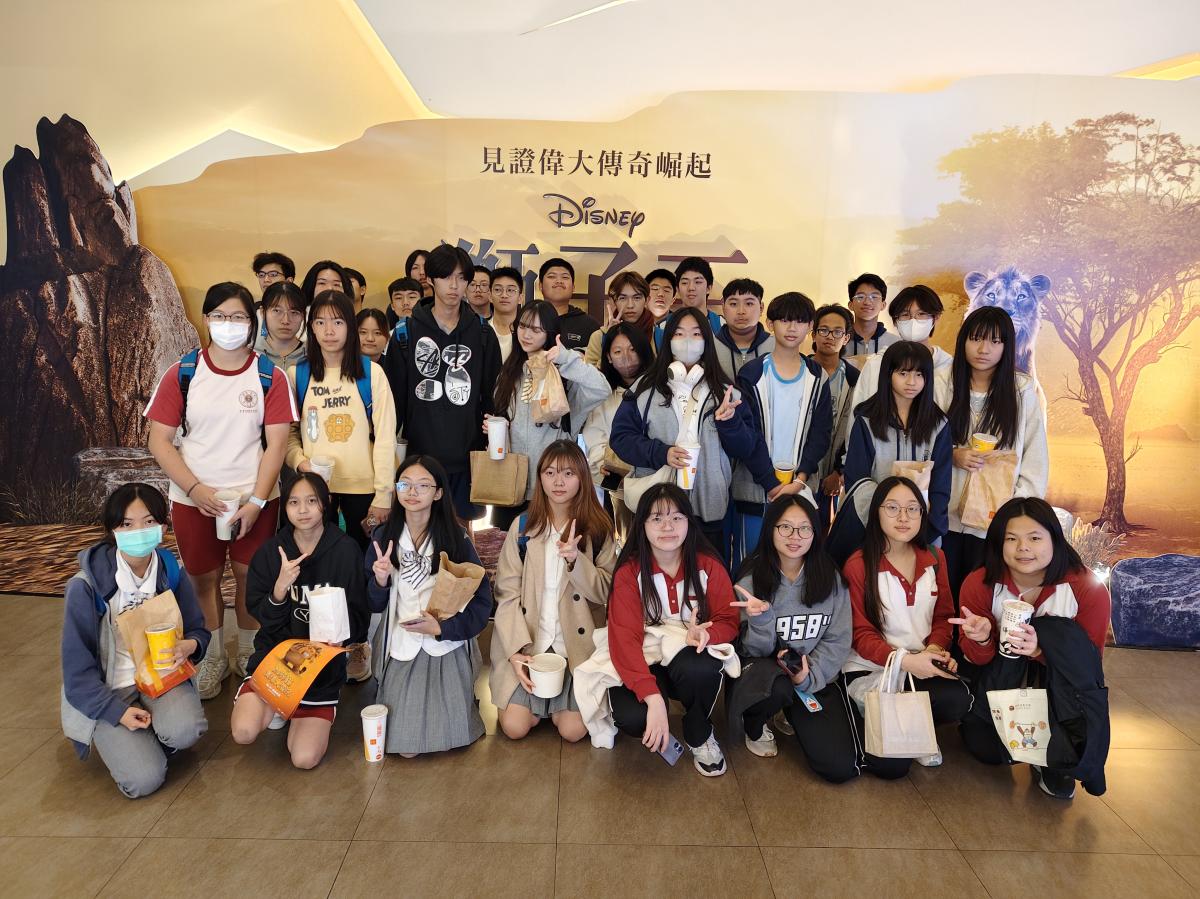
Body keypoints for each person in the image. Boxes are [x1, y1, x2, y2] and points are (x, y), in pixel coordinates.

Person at [146, 282, 298, 698]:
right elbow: (160, 440)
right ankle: (210, 656)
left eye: (238, 317)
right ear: (206, 320)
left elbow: (277, 445)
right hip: (193, 500)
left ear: (252, 323)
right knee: (203, 578)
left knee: (251, 577)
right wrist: (194, 489)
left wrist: (257, 501)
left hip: (253, 500)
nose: (228, 324)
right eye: (220, 316)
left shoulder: (269, 376)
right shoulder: (182, 373)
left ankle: (249, 652)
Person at [952, 497, 1111, 799]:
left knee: (1055, 630)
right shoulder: (980, 583)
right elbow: (975, 658)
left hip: (1059, 694)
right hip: (999, 682)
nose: (1023, 548)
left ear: (1055, 539)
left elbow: (1089, 665)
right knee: (988, 751)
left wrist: (1042, 650)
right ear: (998, 543)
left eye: (1035, 538)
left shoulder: (1086, 588)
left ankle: (1050, 754)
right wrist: (982, 639)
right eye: (1011, 539)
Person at [61, 483, 209, 798]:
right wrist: (116, 712)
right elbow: (76, 674)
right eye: (127, 524)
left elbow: (198, 629)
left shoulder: (171, 571)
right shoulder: (85, 587)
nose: (138, 531)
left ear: (163, 527)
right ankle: (130, 740)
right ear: (112, 530)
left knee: (187, 730)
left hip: (160, 675)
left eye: (149, 521)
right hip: (109, 691)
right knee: (144, 781)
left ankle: (154, 734)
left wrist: (191, 645)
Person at [610, 307, 777, 555]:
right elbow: (621, 438)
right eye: (679, 334)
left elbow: (747, 448)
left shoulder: (726, 392)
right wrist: (661, 453)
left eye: (696, 334)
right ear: (668, 341)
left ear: (707, 342)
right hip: (658, 511)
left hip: (709, 510)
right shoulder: (644, 390)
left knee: (708, 574)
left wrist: (729, 424)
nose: (687, 341)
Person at [234, 473, 370, 768]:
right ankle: (279, 706)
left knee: (304, 759)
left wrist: (341, 636)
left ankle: (295, 709)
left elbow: (361, 617)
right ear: (285, 507)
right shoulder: (272, 552)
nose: (303, 510)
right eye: (294, 502)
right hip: (277, 660)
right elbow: (261, 615)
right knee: (243, 732)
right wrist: (280, 589)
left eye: (311, 501)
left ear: (325, 504)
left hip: (321, 669)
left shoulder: (345, 550)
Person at [607, 484, 739, 776]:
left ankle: (699, 731)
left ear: (689, 522)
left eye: (677, 517)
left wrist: (708, 634)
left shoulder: (708, 566)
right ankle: (658, 708)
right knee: (633, 717)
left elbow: (728, 619)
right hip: (644, 658)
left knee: (701, 667)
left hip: (687, 659)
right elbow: (624, 640)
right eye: (657, 518)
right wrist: (652, 699)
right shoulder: (630, 572)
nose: (667, 526)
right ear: (642, 525)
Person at [842, 477, 970, 776]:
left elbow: (944, 616)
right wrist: (905, 661)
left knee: (958, 698)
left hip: (919, 661)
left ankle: (916, 727)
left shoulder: (935, 558)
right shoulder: (859, 564)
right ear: (876, 512)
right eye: (893, 508)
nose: (903, 517)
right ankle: (870, 718)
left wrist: (935, 649)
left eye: (913, 509)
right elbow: (860, 634)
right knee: (891, 768)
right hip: (871, 667)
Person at [365, 456, 493, 756]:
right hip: (402, 642)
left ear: (438, 493)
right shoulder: (383, 538)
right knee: (405, 747)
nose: (412, 492)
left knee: (453, 734)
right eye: (404, 484)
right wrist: (380, 580)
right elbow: (371, 602)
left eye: (423, 485)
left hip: (445, 642)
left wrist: (442, 628)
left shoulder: (456, 538)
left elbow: (482, 599)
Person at [491, 440, 617, 741]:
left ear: (582, 477)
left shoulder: (598, 528)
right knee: (515, 727)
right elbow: (506, 593)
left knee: (573, 731)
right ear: (540, 477)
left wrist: (576, 561)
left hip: (576, 648)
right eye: (550, 473)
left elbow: (607, 592)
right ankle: (532, 705)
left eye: (568, 473)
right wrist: (515, 652)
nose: (558, 481)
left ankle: (559, 706)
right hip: (528, 643)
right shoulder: (523, 527)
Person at [726, 495, 857, 782]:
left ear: (815, 532)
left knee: (838, 767)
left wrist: (809, 677)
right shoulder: (750, 580)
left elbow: (838, 640)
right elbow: (749, 651)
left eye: (804, 528)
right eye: (785, 527)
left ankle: (790, 710)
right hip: (767, 674)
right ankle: (756, 723)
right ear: (770, 529)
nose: (795, 536)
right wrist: (761, 621)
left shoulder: (831, 579)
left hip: (814, 677)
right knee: (779, 688)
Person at [382, 244, 502, 522]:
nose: (454, 286)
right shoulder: (405, 333)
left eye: (461, 278)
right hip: (418, 457)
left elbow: (494, 397)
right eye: (447, 277)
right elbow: (393, 404)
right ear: (431, 279)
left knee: (462, 532)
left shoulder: (483, 333)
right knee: (419, 528)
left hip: (467, 457)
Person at [943, 307, 1049, 593]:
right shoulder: (942, 382)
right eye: (976, 338)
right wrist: (952, 454)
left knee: (981, 594)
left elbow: (1035, 457)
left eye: (995, 341)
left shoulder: (1021, 390)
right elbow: (923, 441)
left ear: (1007, 346)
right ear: (963, 340)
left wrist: (1015, 513)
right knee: (942, 594)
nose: (984, 349)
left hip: (993, 521)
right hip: (943, 517)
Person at [486, 301, 611, 532]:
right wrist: (496, 425)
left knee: (552, 547)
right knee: (513, 546)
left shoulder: (566, 375)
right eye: (523, 326)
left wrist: (566, 358)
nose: (527, 335)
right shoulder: (509, 372)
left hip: (555, 484)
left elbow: (602, 389)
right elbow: (503, 414)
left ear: (550, 333)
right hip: (512, 481)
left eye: (536, 329)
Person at [733, 292, 832, 566]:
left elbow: (821, 433)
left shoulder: (817, 376)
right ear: (770, 323)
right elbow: (746, 434)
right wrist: (770, 482)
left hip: (800, 488)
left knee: (794, 563)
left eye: (799, 321)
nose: (792, 328)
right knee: (750, 565)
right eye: (784, 320)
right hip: (754, 491)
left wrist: (800, 479)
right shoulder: (751, 374)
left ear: (809, 326)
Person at [844, 341, 953, 543]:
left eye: (919, 374)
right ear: (888, 374)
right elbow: (857, 481)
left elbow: (941, 484)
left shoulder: (938, 424)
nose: (912, 382)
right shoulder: (867, 419)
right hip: (875, 532)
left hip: (924, 531)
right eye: (903, 373)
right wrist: (884, 525)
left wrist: (927, 531)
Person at [581, 323, 654, 541]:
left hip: (654, 479)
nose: (626, 357)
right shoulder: (603, 394)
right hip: (617, 480)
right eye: (618, 351)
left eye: (632, 349)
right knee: (624, 540)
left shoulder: (658, 390)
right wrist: (601, 463)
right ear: (609, 357)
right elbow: (594, 437)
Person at [850, 285, 952, 411]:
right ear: (895, 321)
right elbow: (858, 413)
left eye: (921, 314)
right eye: (905, 314)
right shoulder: (877, 364)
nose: (913, 320)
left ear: (936, 318)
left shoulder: (949, 368)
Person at [809, 304, 860, 528]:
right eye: (823, 330)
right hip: (801, 470)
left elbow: (854, 430)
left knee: (823, 532)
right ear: (813, 334)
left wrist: (839, 472)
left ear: (846, 338)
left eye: (837, 332)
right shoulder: (800, 370)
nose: (830, 336)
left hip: (832, 471)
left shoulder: (855, 379)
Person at [583, 271, 655, 366]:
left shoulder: (659, 336)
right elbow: (589, 374)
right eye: (622, 298)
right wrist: (610, 340)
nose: (630, 305)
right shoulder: (599, 337)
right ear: (613, 302)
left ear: (647, 300)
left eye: (637, 298)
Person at [714, 278, 774, 382]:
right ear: (723, 307)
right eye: (733, 304)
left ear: (761, 308)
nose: (741, 311)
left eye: (749, 304)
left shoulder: (776, 347)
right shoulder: (710, 347)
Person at [653, 257, 722, 348]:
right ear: (677, 289)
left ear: (708, 288)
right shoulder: (661, 328)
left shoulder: (723, 326)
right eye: (685, 283)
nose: (691, 288)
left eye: (698, 282)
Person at [538, 257, 600, 352]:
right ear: (540, 286)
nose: (559, 281)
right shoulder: (528, 320)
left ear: (573, 287)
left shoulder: (589, 325)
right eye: (552, 276)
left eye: (565, 277)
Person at [255, 281, 307, 369]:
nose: (285, 320)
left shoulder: (314, 356)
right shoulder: (250, 355)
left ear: (303, 316)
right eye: (277, 311)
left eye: (294, 312)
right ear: (262, 312)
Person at [844, 273, 899, 357]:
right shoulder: (839, 341)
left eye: (874, 297)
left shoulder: (895, 344)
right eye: (860, 297)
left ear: (883, 305)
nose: (867, 302)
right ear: (850, 305)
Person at [489, 265, 522, 361]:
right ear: (490, 296)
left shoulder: (528, 334)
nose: (504, 295)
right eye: (498, 290)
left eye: (510, 290)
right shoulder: (481, 330)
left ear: (520, 298)